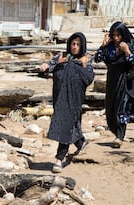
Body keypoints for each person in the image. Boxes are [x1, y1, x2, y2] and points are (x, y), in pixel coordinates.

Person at [39, 32, 95, 173]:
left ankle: (59, 158)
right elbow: (50, 67)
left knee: (66, 123)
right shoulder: (62, 57)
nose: (75, 47)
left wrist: (80, 67)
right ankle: (81, 142)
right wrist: (46, 66)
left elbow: (89, 78)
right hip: (60, 96)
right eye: (72, 44)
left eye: (77, 44)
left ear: (82, 46)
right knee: (70, 123)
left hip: (74, 98)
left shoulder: (85, 60)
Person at [94, 21, 134, 148]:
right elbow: (98, 58)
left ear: (123, 35)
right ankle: (116, 132)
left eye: (118, 35)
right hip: (112, 81)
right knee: (111, 109)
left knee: (122, 108)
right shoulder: (109, 46)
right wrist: (103, 45)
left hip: (125, 81)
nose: (116, 38)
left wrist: (127, 52)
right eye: (113, 35)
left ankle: (120, 137)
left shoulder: (130, 45)